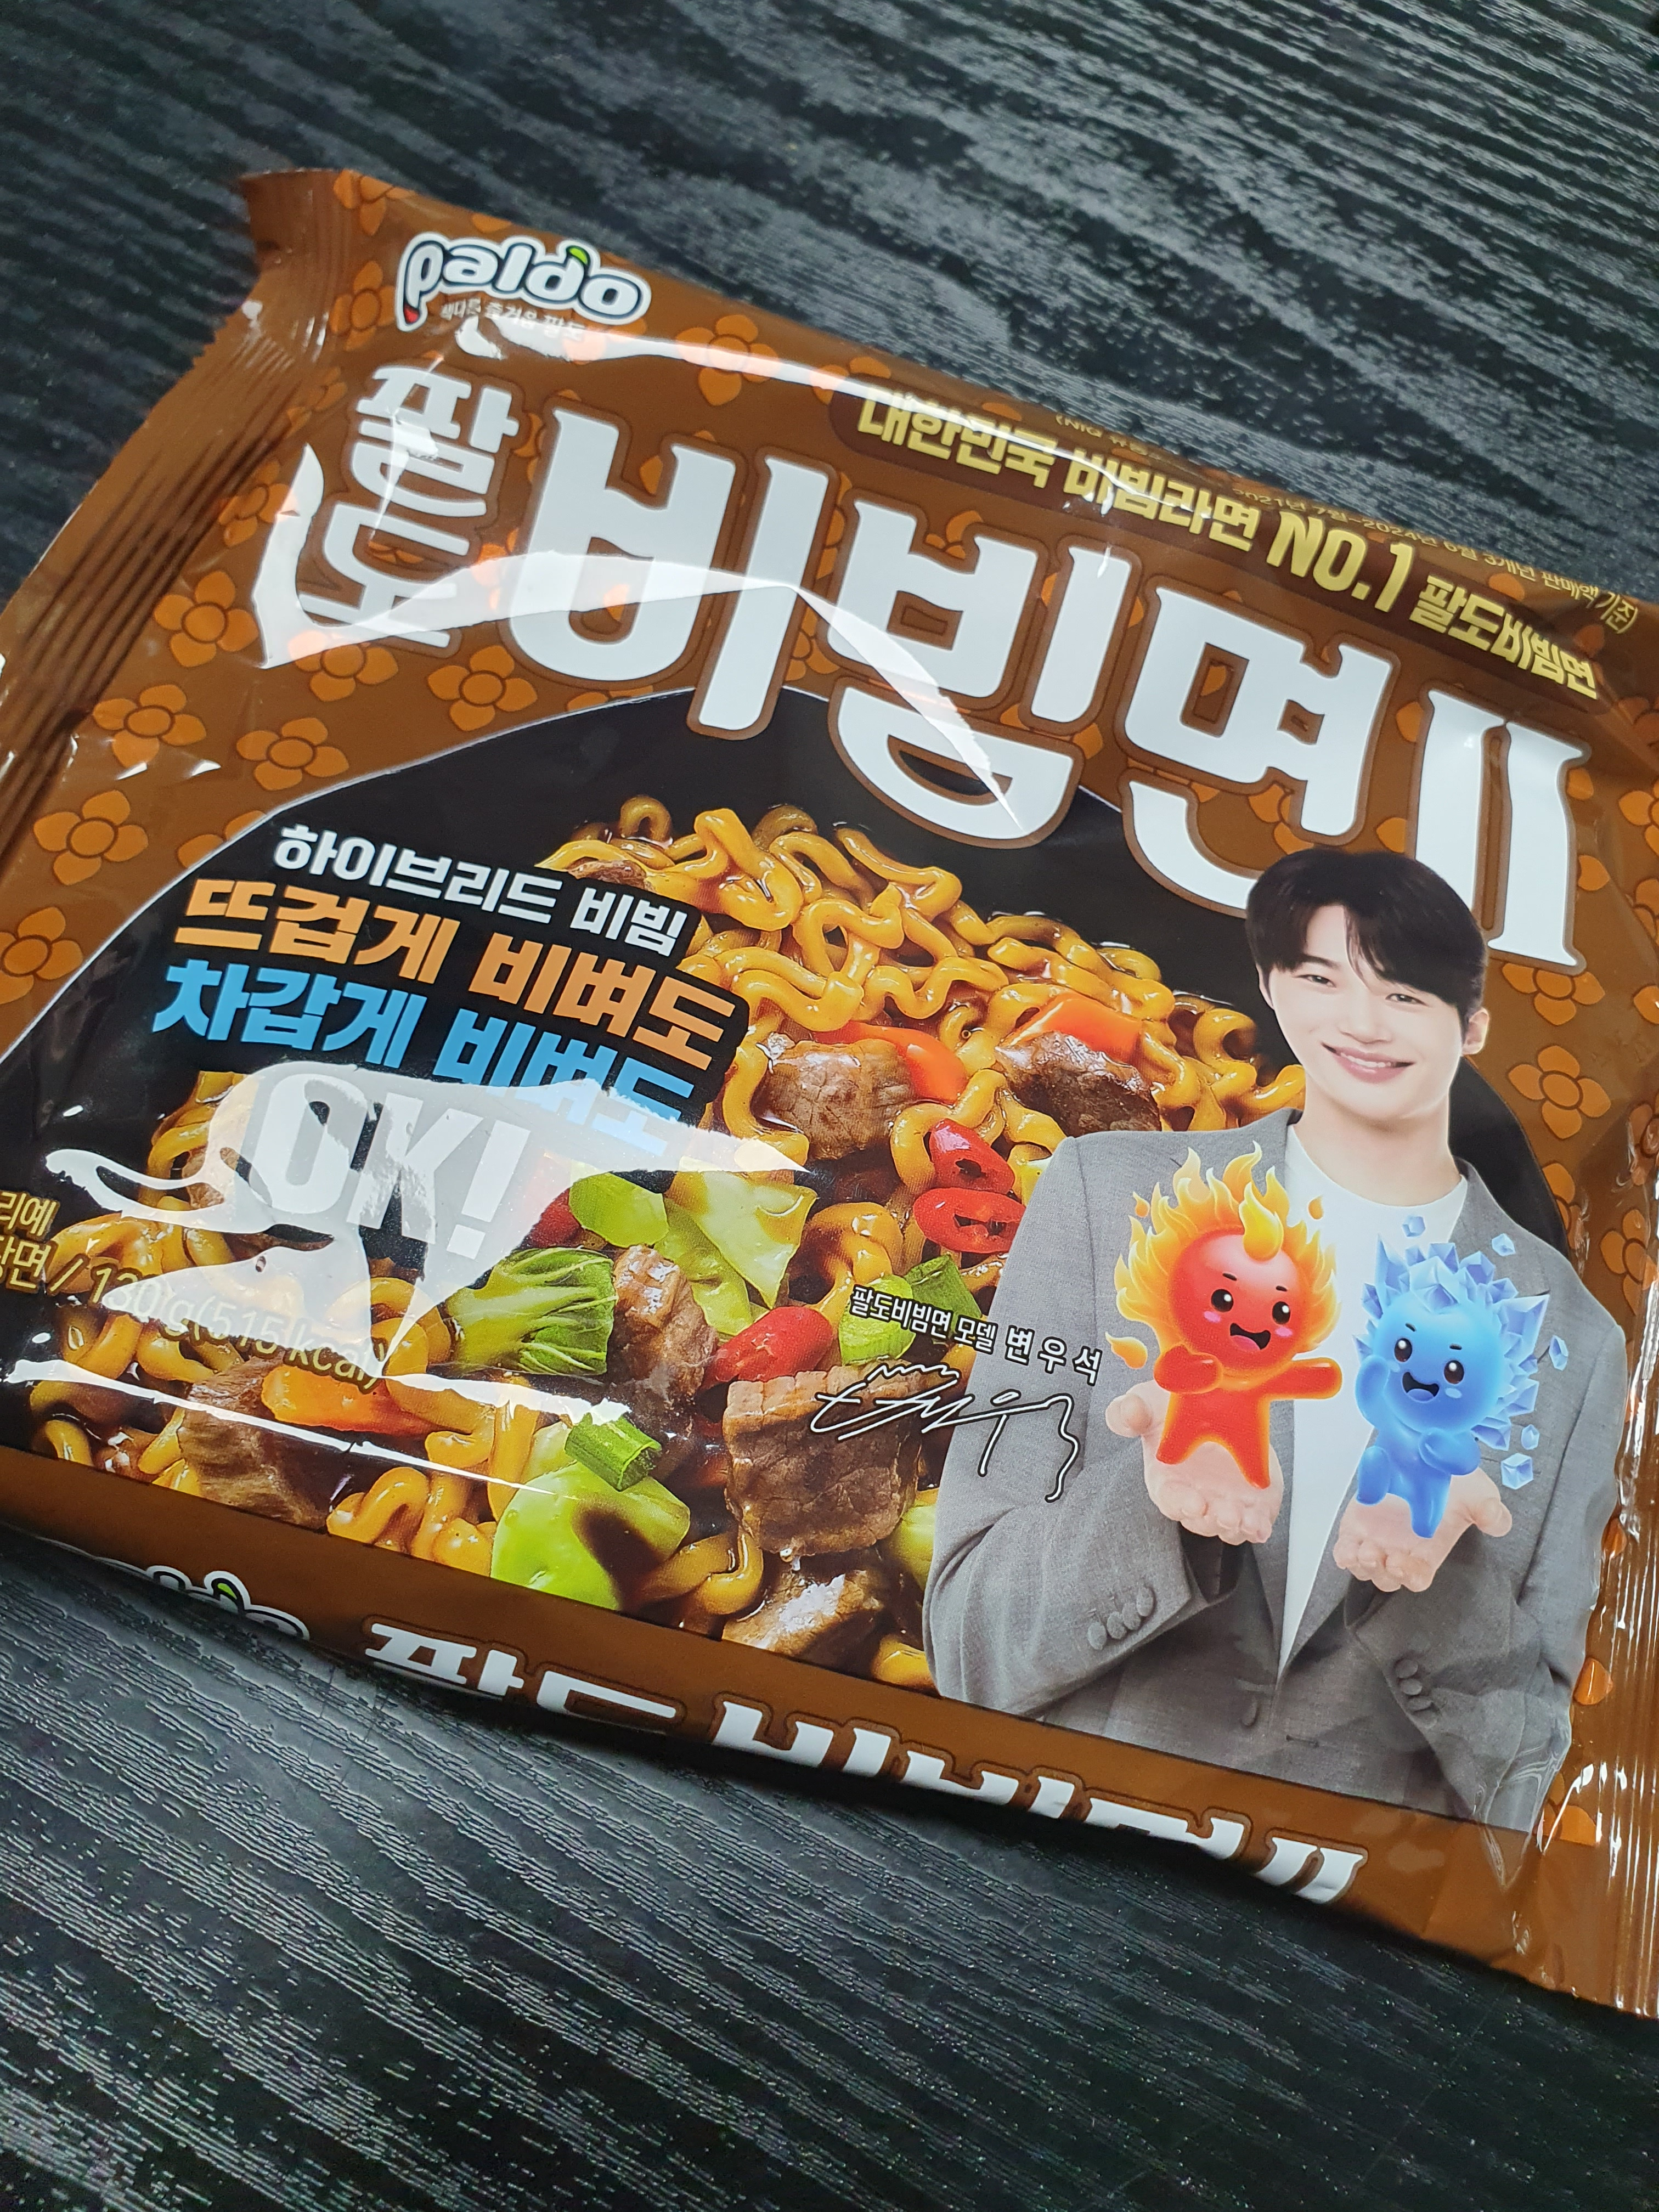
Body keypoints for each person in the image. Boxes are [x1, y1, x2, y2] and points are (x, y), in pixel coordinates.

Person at [923, 849, 1626, 1830]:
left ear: (1472, 1027)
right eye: (1323, 978)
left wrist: (1443, 1579)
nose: (1363, 1023)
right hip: (1044, 1844)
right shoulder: (1100, 1193)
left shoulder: (1579, 1342)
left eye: (1405, 994)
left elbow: (1526, 1775)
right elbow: (964, 1648)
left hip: (1357, 1893)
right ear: (1271, 986)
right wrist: (1154, 1499)